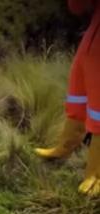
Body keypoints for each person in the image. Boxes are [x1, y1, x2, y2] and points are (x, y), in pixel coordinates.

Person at [35, 0, 100, 196]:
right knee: (77, 97)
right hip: (91, 42)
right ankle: (66, 146)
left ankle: (96, 172)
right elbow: (78, 8)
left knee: (99, 111)